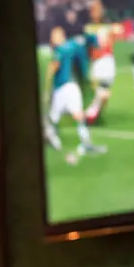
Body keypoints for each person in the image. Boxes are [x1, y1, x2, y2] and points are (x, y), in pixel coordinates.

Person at [43, 25, 106, 165]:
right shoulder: (71, 46)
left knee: (53, 116)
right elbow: (85, 43)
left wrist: (47, 89)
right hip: (72, 86)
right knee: (75, 116)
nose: (53, 39)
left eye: (54, 36)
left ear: (60, 36)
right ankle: (86, 142)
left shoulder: (59, 50)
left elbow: (53, 67)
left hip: (62, 88)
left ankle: (53, 140)